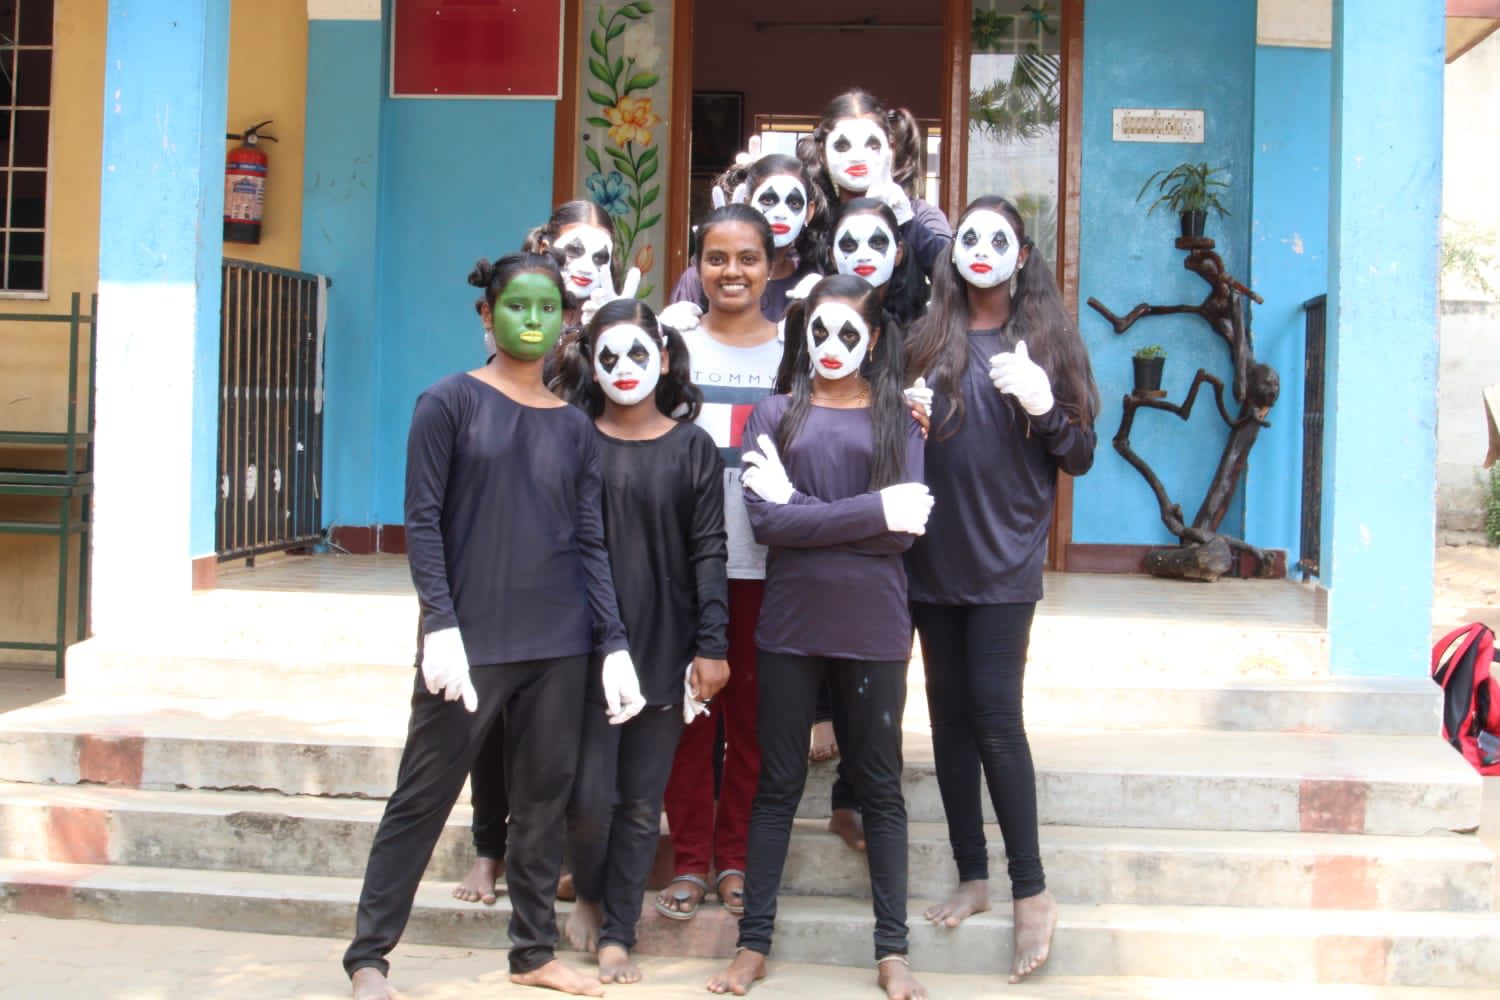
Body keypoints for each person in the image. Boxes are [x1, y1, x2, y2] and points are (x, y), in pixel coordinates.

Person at [344, 252, 645, 1000]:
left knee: (542, 801)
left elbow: (589, 538)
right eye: (518, 306)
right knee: (423, 794)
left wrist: (612, 643)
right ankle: (369, 958)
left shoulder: (576, 428)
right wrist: (438, 622)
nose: (535, 320)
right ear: (486, 314)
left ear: (566, 320)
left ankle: (532, 953)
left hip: (562, 641)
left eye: (549, 307)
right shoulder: (447, 403)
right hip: (470, 643)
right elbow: (422, 521)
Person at [706, 274, 932, 1000]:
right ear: (802, 336)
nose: (831, 348)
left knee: (880, 787)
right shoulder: (772, 415)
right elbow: (768, 528)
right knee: (776, 785)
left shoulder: (902, 416)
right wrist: (866, 510)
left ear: (873, 341)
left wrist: (803, 510)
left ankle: (892, 951)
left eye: (848, 334)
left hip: (874, 626)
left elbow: (902, 535)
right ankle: (753, 945)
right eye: (819, 333)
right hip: (791, 626)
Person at [902, 197, 1100, 983]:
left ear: (1022, 256)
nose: (980, 250)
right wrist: (904, 418)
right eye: (969, 238)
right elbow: (893, 446)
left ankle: (1032, 888)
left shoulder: (1048, 340)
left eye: (998, 240)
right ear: (953, 256)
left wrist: (1046, 406)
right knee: (946, 717)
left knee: (994, 716)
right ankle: (973, 873)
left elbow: (1079, 452)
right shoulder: (926, 340)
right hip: (929, 558)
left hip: (1004, 558)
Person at [452, 202, 637, 909]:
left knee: (572, 715)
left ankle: (571, 853)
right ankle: (489, 849)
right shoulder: (523, 334)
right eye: (572, 254)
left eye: (600, 255)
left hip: (600, 533)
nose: (586, 267)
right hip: (522, 546)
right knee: (498, 714)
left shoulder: (619, 333)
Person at [546, 298, 732, 984]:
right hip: (583, 646)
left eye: (638, 352)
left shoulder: (693, 447)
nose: (625, 368)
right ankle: (589, 891)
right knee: (590, 797)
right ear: (590, 365)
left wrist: (712, 645)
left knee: (637, 801)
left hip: (664, 645)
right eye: (609, 356)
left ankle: (619, 928)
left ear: (663, 353)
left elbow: (709, 551)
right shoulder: (571, 438)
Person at [654, 204, 781, 923]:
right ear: (696, 266)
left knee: (754, 724)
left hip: (766, 568)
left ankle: (737, 859)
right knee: (690, 723)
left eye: (747, 258)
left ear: (771, 267)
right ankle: (691, 860)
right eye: (716, 257)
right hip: (684, 570)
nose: (731, 272)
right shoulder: (671, 343)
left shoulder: (796, 347)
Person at [798, 89, 952, 277]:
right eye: (842, 146)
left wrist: (906, 223)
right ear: (822, 153)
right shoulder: (812, 218)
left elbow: (951, 275)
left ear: (891, 148)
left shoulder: (921, 215)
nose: (857, 157)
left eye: (872, 145)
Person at [665, 153, 826, 329]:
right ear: (746, 201)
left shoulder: (816, 281)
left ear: (809, 211)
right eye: (768, 200)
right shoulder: (701, 278)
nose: (780, 213)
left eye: (793, 202)